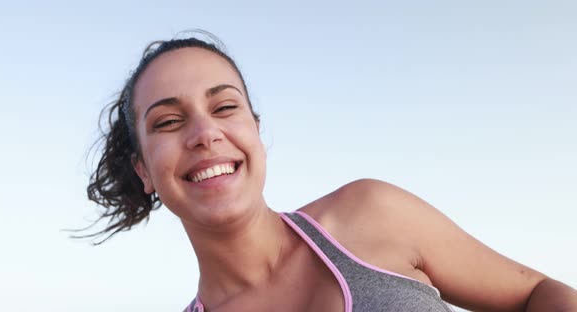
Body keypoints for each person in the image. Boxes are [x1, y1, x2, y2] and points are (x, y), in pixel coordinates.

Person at [82, 31, 577, 311]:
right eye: (168, 121)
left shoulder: (370, 216)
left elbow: (539, 293)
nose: (204, 133)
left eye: (225, 107)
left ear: (255, 131)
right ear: (144, 170)